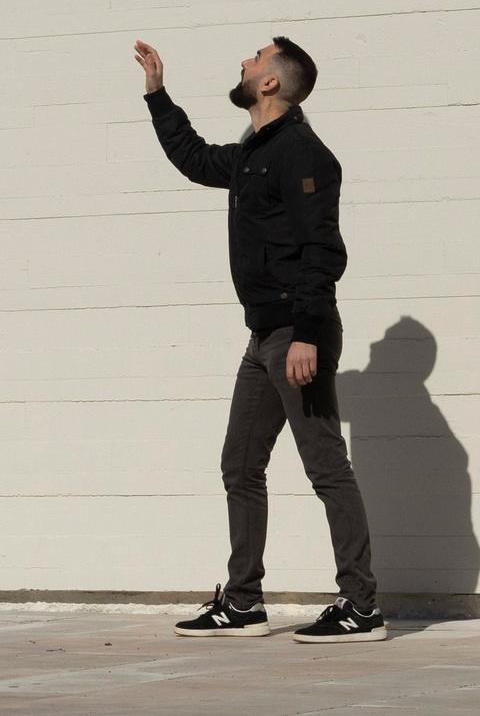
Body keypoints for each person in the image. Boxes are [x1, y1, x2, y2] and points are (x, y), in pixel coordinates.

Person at [136, 37, 384, 643]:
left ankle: (361, 605)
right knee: (240, 465)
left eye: (253, 59)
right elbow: (195, 159)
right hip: (263, 336)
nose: (243, 64)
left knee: (325, 466)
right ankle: (243, 601)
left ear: (271, 82)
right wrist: (158, 95)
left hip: (299, 334)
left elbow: (322, 251)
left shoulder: (304, 154)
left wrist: (306, 335)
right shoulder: (254, 152)